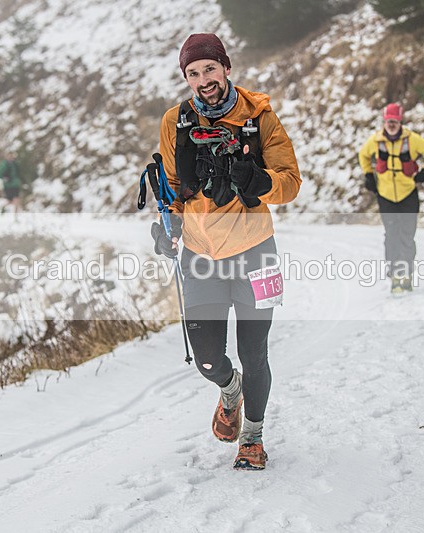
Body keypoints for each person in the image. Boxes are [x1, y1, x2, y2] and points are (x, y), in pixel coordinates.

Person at [153, 33, 301, 470]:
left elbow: (289, 181)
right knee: (207, 359)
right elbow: (172, 187)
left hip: (256, 252)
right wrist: (166, 225)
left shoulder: (259, 117)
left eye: (210, 69)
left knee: (254, 353)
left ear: (226, 68)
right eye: (193, 73)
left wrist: (261, 182)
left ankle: (252, 436)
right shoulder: (175, 121)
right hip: (199, 255)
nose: (203, 80)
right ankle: (229, 390)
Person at [358, 103, 424, 294]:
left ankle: (407, 274)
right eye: (388, 121)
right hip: (385, 195)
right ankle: (395, 273)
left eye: (394, 121)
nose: (391, 125)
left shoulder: (412, 140)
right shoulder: (376, 141)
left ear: (400, 121)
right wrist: (368, 175)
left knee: (407, 236)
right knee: (391, 235)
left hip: (408, 194)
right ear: (384, 122)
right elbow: (363, 155)